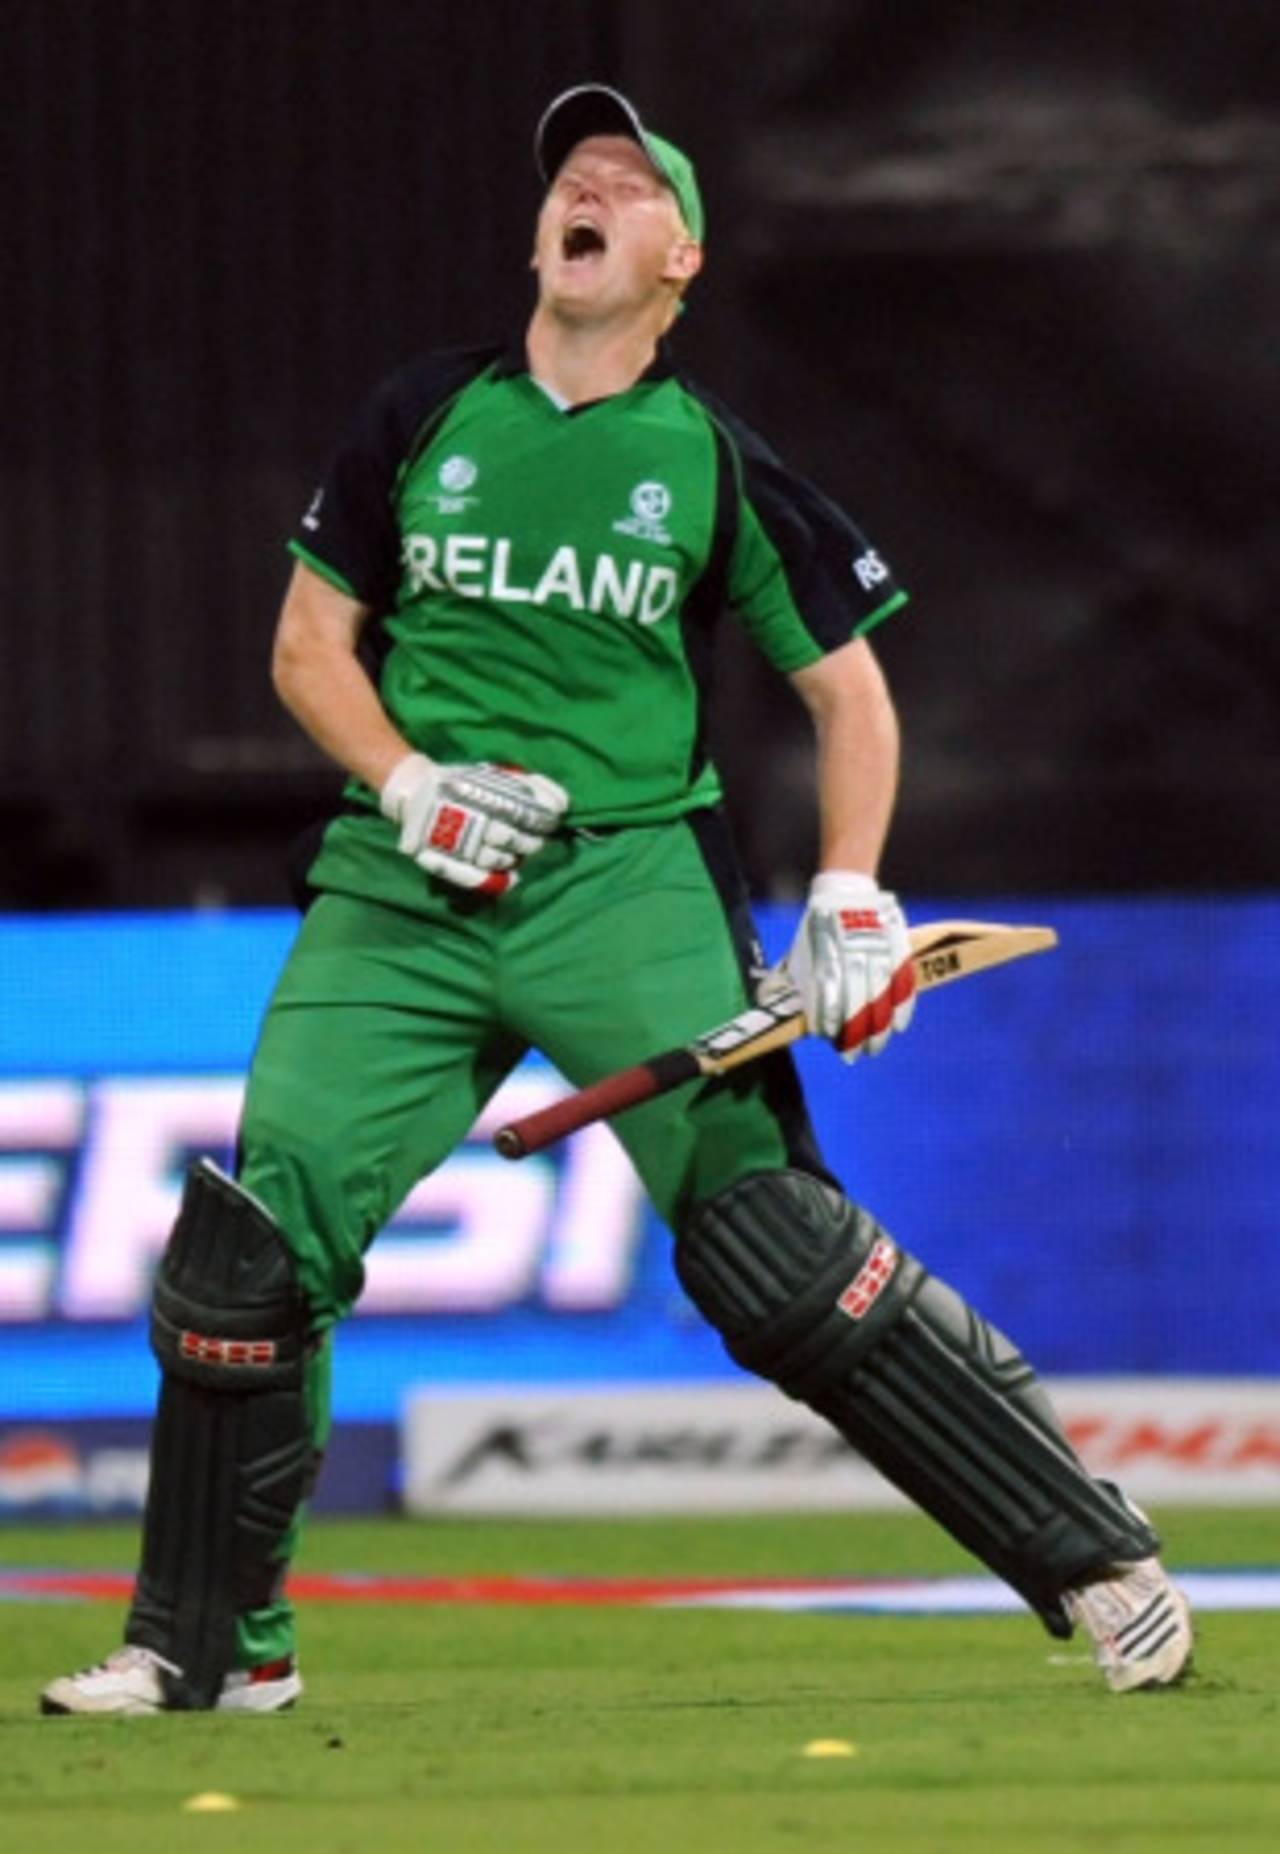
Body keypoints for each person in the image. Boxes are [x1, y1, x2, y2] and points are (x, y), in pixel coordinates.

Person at [42, 83, 1191, 1716]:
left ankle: (1101, 1557)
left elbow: (849, 696)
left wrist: (851, 893)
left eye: (628, 180)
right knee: (248, 1252)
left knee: (772, 1254)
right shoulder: (420, 414)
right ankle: (212, 1649)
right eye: (570, 176)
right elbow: (309, 651)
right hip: (403, 890)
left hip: (627, 878)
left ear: (681, 256)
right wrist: (411, 785)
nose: (588, 185)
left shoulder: (710, 461)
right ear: (540, 238)